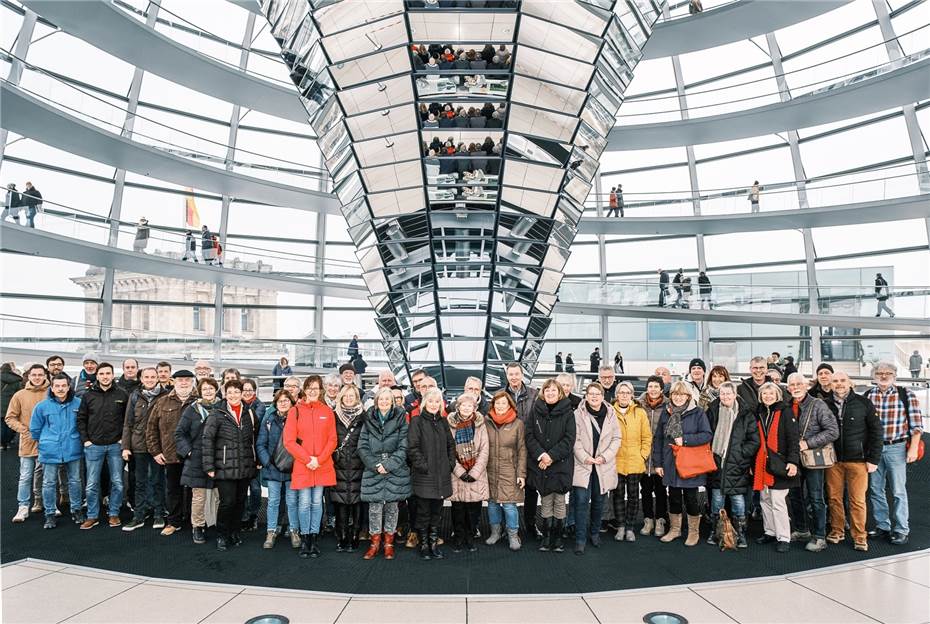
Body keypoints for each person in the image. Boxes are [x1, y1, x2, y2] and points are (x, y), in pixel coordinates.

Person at [865, 361, 923, 546]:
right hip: (874, 449)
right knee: (875, 489)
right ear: (874, 375)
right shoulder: (868, 396)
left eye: (887, 372)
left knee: (898, 490)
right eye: (880, 372)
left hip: (896, 448)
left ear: (894, 375)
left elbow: (917, 426)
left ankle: (901, 529)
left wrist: (913, 448)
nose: (883, 376)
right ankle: (883, 526)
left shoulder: (906, 395)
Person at [824, 372, 882, 551]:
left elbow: (876, 432)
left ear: (850, 383)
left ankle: (859, 536)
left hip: (859, 461)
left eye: (842, 380)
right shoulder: (825, 404)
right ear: (831, 384)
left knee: (857, 500)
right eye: (835, 381)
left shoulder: (864, 403)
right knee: (834, 498)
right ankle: (837, 530)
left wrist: (873, 459)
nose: (839, 384)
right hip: (833, 461)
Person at [655, 380, 713, 547]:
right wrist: (658, 463)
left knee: (691, 499)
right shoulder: (666, 413)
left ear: (688, 396)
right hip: (670, 462)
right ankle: (675, 529)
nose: (678, 398)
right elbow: (658, 438)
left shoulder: (698, 413)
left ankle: (694, 532)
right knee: (673, 497)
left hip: (690, 463)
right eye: (675, 394)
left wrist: (685, 440)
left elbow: (707, 435)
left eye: (682, 394)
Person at [285, 375, 337, 558]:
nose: (313, 391)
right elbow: (289, 441)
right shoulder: (295, 411)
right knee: (304, 502)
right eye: (309, 387)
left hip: (321, 464)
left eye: (316, 388)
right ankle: (305, 538)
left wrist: (319, 460)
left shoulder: (327, 411)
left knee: (317, 502)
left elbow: (332, 440)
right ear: (304, 390)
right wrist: (308, 459)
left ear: (321, 390)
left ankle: (314, 538)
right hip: (303, 464)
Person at [203, 379, 259, 552]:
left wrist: (256, 461)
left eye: (237, 391)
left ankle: (235, 532)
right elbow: (207, 440)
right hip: (224, 466)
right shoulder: (217, 414)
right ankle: (222, 534)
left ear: (242, 393)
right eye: (230, 392)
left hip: (245, 465)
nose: (234, 395)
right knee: (227, 502)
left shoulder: (249, 413)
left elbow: (255, 439)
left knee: (240, 501)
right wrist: (209, 466)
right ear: (225, 394)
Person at [785, 372, 838, 552]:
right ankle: (802, 529)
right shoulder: (786, 405)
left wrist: (807, 443)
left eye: (798, 383)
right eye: (791, 385)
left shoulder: (818, 404)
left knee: (816, 497)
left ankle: (820, 536)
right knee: (794, 496)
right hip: (793, 459)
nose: (795, 387)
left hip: (813, 458)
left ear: (806, 385)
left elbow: (832, 431)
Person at [359, 387, 411, 560]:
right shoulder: (369, 418)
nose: (384, 402)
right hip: (373, 467)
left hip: (395, 468)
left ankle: (389, 543)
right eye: (381, 399)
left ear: (393, 401)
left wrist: (388, 465)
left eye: (388, 399)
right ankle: (374, 543)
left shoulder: (401, 418)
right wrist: (375, 465)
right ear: (376, 401)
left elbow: (404, 446)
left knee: (392, 507)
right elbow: (362, 446)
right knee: (374, 508)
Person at [705, 382, 759, 548]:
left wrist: (741, 454)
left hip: (737, 464)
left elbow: (754, 440)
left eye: (729, 394)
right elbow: (707, 433)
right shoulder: (713, 411)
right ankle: (716, 531)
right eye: (722, 394)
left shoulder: (745, 414)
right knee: (716, 500)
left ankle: (740, 533)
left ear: (735, 394)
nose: (726, 397)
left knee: (737, 501)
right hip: (716, 462)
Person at [526, 379, 576, 553]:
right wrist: (542, 455)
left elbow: (569, 439)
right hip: (541, 464)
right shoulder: (535, 411)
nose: (550, 393)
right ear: (543, 393)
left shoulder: (568, 413)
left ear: (559, 392)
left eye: (553, 390)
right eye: (547, 390)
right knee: (546, 500)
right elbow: (529, 436)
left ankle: (558, 537)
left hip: (560, 463)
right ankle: (547, 537)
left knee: (560, 501)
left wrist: (551, 456)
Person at [76, 362, 128, 529]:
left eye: (108, 373)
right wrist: (86, 441)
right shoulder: (88, 395)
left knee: (118, 482)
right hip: (94, 446)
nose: (105, 376)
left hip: (115, 445)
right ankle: (92, 515)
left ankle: (114, 513)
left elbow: (128, 420)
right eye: (102, 374)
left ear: (113, 375)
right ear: (97, 376)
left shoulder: (122, 394)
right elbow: (81, 419)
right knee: (91, 484)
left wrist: (123, 440)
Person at [145, 369, 197, 536]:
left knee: (193, 491)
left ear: (192, 382)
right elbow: (151, 428)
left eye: (187, 380)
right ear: (173, 381)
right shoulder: (162, 402)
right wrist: (155, 451)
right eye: (180, 380)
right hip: (171, 455)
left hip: (193, 456)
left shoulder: (199, 402)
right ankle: (174, 521)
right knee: (172, 489)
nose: (184, 383)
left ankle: (193, 522)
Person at [29, 374, 84, 529]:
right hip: (49, 450)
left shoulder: (78, 404)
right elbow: (35, 429)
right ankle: (50, 514)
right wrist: (47, 441)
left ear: (68, 387)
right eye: (57, 386)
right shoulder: (42, 406)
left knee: (75, 481)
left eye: (63, 386)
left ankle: (76, 509)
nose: (60, 389)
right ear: (52, 388)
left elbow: (83, 424)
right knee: (48, 483)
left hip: (72, 448)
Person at [571, 382, 620, 555]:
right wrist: (586, 457)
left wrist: (604, 457)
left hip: (602, 465)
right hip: (583, 465)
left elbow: (616, 438)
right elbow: (574, 439)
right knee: (581, 502)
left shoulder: (611, 414)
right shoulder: (578, 414)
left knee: (599, 502)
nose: (594, 396)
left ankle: (594, 533)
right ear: (585, 396)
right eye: (590, 393)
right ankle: (580, 538)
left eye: (597, 394)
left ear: (602, 396)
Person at [407, 387, 456, 560]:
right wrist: (424, 466)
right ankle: (424, 544)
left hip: (441, 475)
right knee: (423, 512)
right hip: (424, 475)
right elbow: (412, 448)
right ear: (424, 403)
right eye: (431, 401)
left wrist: (450, 464)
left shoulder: (443, 422)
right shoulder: (417, 422)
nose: (434, 404)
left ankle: (434, 543)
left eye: (437, 401)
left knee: (437, 512)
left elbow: (451, 445)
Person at [753, 382, 800, 553]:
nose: (768, 396)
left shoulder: (785, 411)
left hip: (780, 462)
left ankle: (784, 537)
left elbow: (793, 438)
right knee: (764, 499)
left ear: (778, 395)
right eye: (765, 394)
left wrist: (793, 461)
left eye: (771, 393)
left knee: (778, 501)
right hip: (762, 463)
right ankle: (770, 531)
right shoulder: (758, 412)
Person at [119, 367, 165, 531]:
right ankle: (139, 515)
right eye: (147, 377)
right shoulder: (135, 396)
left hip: (158, 447)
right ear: (142, 379)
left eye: (153, 376)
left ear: (158, 378)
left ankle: (159, 513)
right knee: (140, 482)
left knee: (158, 481)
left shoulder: (165, 396)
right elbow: (128, 423)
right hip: (138, 445)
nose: (150, 379)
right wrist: (125, 446)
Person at [175, 377, 219, 545]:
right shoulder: (192, 410)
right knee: (199, 496)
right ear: (200, 391)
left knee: (220, 495)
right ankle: (198, 527)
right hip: (197, 459)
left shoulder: (222, 407)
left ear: (216, 389)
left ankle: (219, 524)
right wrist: (189, 451)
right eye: (205, 389)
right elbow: (179, 433)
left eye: (211, 388)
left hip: (217, 458)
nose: (208, 391)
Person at [255, 389, 299, 550]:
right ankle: (271, 531)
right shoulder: (269, 420)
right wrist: (268, 462)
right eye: (280, 401)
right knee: (273, 502)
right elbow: (260, 444)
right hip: (273, 468)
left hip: (292, 468)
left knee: (292, 501)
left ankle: (294, 530)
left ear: (292, 403)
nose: (283, 403)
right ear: (275, 403)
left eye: (286, 400)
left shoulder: (297, 420)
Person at [484, 390, 526, 551]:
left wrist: (521, 474)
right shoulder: (486, 422)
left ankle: (513, 535)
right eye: (497, 403)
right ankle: (495, 532)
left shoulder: (518, 424)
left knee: (509, 505)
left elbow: (522, 450)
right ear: (493, 404)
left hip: (510, 470)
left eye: (504, 403)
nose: (500, 406)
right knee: (492, 503)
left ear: (510, 405)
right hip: (490, 470)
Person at [447, 394, 489, 553]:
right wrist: (460, 471)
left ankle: (470, 538)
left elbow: (485, 450)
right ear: (458, 407)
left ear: (474, 408)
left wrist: (475, 472)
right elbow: (449, 450)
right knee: (458, 510)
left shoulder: (480, 424)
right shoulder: (450, 424)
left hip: (476, 474)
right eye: (463, 405)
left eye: (469, 406)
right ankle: (458, 538)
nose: (466, 408)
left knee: (474, 510)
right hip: (456, 475)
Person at [6, 364, 48, 522]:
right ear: (28, 376)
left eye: (40, 375)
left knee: (47, 476)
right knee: (25, 476)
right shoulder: (19, 395)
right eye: (34, 375)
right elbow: (10, 417)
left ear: (45, 376)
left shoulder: (51, 394)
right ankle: (23, 506)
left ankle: (42, 501)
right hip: (27, 442)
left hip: (47, 442)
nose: (37, 377)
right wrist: (24, 430)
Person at [612, 381, 652, 542]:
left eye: (627, 393)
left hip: (635, 461)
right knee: (618, 495)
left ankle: (630, 527)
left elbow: (647, 437)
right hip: (616, 461)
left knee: (634, 496)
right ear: (617, 395)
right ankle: (620, 526)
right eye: (621, 392)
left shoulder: (640, 412)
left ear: (632, 395)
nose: (624, 395)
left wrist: (642, 455)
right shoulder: (610, 411)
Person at [502, 362, 538, 537]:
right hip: (508, 450)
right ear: (507, 376)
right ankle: (507, 526)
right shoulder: (501, 395)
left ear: (522, 375)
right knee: (507, 489)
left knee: (531, 488)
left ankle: (530, 524)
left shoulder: (534, 394)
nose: (514, 377)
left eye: (517, 374)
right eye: (511, 374)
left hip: (530, 448)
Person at [332, 384, 365, 553]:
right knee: (341, 504)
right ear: (341, 397)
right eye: (346, 396)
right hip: (339, 465)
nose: (349, 398)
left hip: (359, 464)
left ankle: (355, 535)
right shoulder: (334, 416)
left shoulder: (364, 417)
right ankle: (342, 537)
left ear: (357, 398)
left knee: (357, 504)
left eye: (352, 396)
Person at [239, 379, 265, 531]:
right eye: (244, 389)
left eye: (250, 389)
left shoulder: (259, 406)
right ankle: (243, 516)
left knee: (255, 488)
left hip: (254, 453)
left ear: (255, 391)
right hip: (240, 454)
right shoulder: (235, 405)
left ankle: (254, 514)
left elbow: (252, 424)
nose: (247, 392)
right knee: (242, 488)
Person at [1, 362, 23, 450]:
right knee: (10, 424)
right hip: (11, 404)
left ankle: (2, 444)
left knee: (1, 424)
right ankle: (8, 442)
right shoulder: (16, 380)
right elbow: (19, 393)